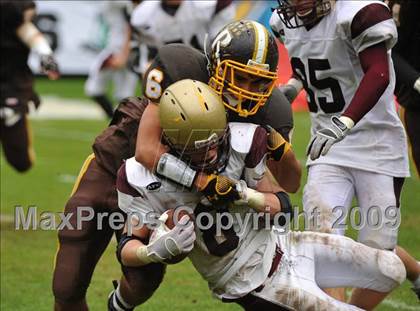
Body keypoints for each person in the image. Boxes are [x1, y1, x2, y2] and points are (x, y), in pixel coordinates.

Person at [117, 79, 406, 311]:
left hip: (287, 246)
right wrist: (150, 252)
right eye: (200, 149)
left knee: (392, 269)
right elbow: (128, 248)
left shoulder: (242, 139)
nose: (213, 153)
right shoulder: (141, 178)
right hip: (252, 282)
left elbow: (283, 205)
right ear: (172, 141)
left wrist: (246, 195)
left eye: (217, 142)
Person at [108, 20, 302, 310]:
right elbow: (146, 150)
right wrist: (202, 182)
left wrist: (280, 150)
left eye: (258, 81)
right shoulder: (182, 71)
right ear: (216, 67)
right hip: (148, 167)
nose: (247, 90)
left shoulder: (272, 111)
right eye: (240, 77)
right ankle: (119, 302)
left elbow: (289, 185)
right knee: (141, 281)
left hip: (219, 186)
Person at [270, 0, 420, 303]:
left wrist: (346, 121)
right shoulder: (284, 21)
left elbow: (378, 73)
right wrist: (293, 87)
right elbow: (317, 65)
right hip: (328, 145)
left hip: (377, 145)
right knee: (323, 239)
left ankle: (414, 271)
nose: (296, 3)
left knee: (380, 259)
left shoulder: (359, 14)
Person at [0, 0, 59, 173]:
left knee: (21, 163)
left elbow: (28, 31)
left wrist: (45, 53)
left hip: (12, 86)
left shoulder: (11, 12)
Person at [130, 0, 235, 75]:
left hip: (210, 67)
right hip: (170, 72)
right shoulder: (142, 16)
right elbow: (148, 56)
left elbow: (223, 43)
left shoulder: (213, 5)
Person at [84, 1, 139, 118]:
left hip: (123, 49)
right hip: (117, 47)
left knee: (125, 94)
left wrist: (125, 53)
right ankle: (115, 120)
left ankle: (119, 122)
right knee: (97, 88)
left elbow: (131, 23)